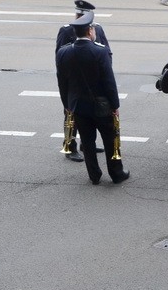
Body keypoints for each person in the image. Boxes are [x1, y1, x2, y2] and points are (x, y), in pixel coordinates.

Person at [55, 11, 129, 185]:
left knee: (87, 142)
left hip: (78, 106)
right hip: (101, 106)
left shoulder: (63, 53)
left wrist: (67, 104)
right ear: (90, 31)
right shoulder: (100, 52)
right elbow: (109, 82)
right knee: (110, 140)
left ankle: (94, 175)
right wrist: (115, 105)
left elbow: (62, 82)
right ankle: (116, 173)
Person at [57, 0, 110, 161]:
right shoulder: (67, 31)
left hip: (93, 81)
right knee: (70, 113)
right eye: (79, 15)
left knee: (91, 114)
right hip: (75, 82)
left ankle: (86, 144)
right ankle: (69, 145)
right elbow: (60, 59)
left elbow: (107, 53)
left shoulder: (98, 28)